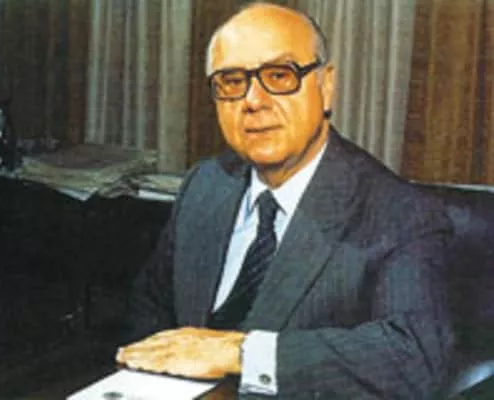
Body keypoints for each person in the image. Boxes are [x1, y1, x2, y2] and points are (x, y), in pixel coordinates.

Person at [116, 2, 454, 398]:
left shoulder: (399, 213)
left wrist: (241, 354)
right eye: (232, 81)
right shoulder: (204, 185)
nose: (253, 100)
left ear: (326, 87)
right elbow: (149, 315)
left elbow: (415, 357)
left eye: (279, 76)